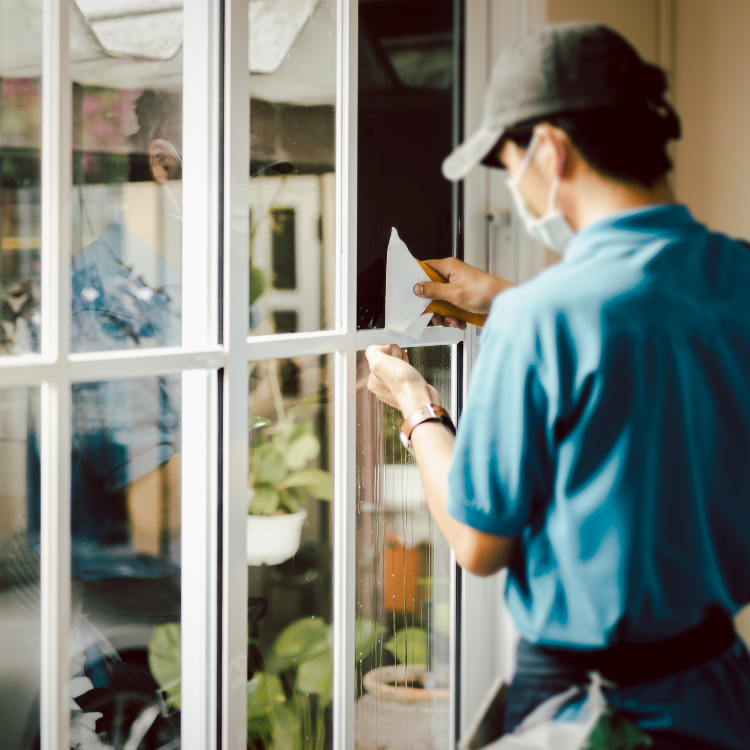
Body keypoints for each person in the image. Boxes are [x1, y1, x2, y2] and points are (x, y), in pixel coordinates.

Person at [365, 22, 750, 749]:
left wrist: (417, 408)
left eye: (509, 164)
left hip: (589, 707)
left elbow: (480, 545)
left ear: (549, 148)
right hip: (721, 682)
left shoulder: (538, 320)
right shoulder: (738, 276)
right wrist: (505, 300)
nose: (514, 187)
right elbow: (653, 335)